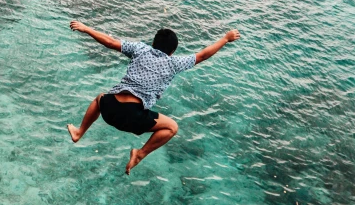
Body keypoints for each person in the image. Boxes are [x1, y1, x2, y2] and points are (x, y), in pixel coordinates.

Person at [67, 21, 241, 174]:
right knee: (172, 128)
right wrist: (225, 39)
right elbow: (202, 55)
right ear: (172, 51)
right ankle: (139, 154)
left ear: (152, 43)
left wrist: (86, 29)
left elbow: (110, 42)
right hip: (133, 118)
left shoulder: (140, 49)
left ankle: (80, 131)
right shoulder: (174, 63)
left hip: (109, 109)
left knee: (100, 97)